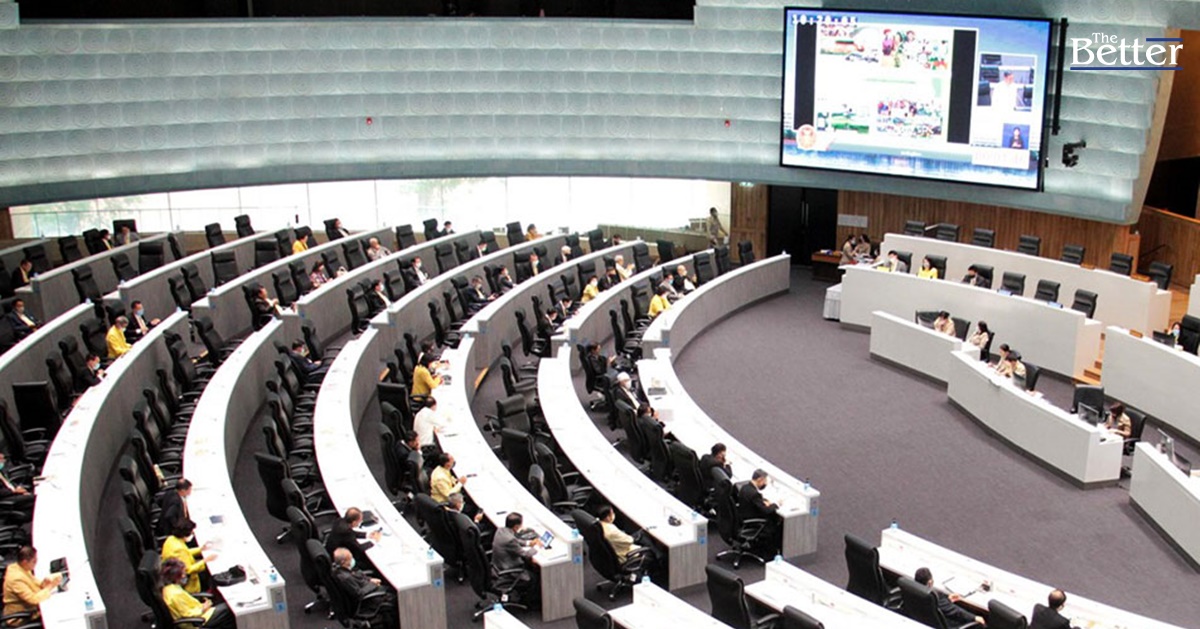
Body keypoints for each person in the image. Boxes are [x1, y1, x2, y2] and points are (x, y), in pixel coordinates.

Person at [160, 559, 235, 628]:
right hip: (199, 620)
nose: (184, 575)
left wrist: (202, 606)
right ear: (175, 576)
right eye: (182, 573)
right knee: (231, 608)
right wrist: (203, 608)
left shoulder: (168, 588)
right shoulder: (176, 594)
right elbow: (187, 614)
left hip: (199, 611)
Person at [491, 513, 542, 606]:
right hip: (509, 570)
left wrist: (529, 543)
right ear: (516, 527)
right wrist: (537, 547)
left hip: (497, 566)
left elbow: (515, 541)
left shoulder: (500, 530)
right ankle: (530, 602)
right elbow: (526, 554)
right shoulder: (510, 540)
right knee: (534, 576)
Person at [3, 547, 61, 623]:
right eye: (34, 561)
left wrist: (44, 584)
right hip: (21, 617)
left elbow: (32, 585)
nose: (36, 564)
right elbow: (33, 600)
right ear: (25, 562)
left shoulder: (22, 568)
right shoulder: (16, 579)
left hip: (30, 609)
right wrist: (49, 587)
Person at [913, 567, 986, 627]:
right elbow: (956, 612)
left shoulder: (913, 592)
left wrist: (947, 600)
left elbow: (942, 605)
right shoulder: (932, 597)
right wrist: (974, 617)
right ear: (930, 582)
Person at [161, 519, 214, 594]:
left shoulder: (171, 539)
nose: (192, 534)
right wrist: (205, 561)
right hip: (188, 584)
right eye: (192, 533)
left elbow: (185, 553)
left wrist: (201, 549)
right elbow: (188, 570)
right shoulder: (179, 548)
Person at [738, 470, 780, 549]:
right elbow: (766, 511)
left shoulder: (745, 487)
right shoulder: (754, 494)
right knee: (776, 519)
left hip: (743, 516)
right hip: (753, 521)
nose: (765, 483)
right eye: (765, 481)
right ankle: (772, 548)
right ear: (760, 480)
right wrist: (776, 504)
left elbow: (754, 501)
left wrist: (762, 501)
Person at [0, 452, 35, 522]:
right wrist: (15, 491)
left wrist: (17, 487)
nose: (3, 461)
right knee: (34, 498)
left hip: (12, 492)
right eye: (1, 460)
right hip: (5, 499)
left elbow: (8, 482)